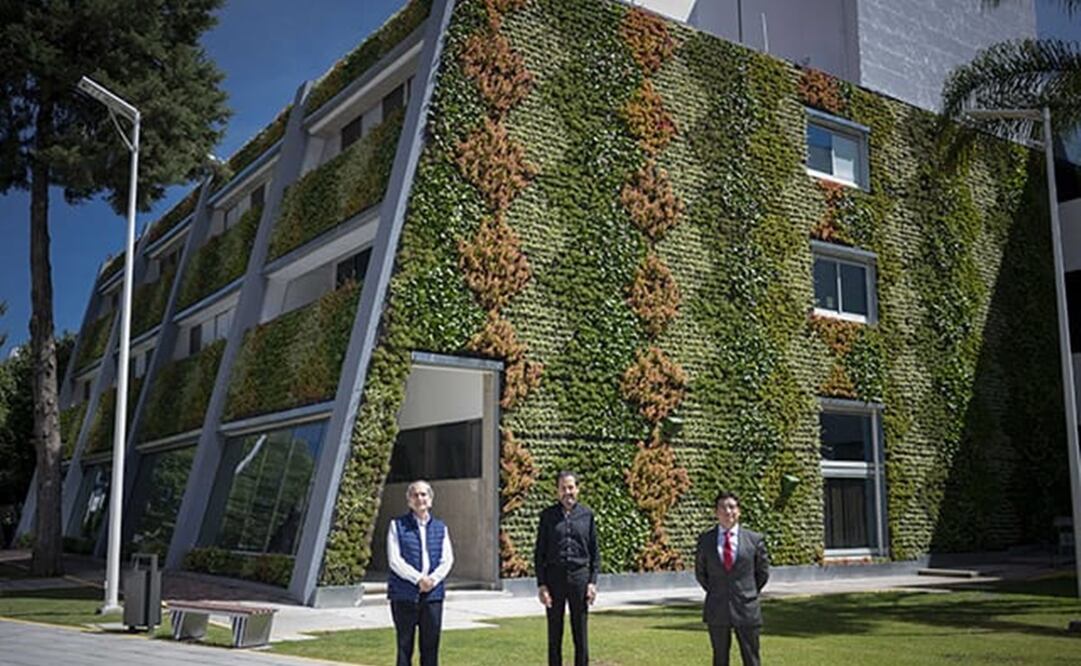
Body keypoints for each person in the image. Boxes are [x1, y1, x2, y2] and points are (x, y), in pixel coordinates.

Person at [695, 490, 770, 666]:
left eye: (732, 507)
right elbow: (701, 573)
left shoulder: (754, 540)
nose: (727, 511)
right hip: (717, 608)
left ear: (739, 511)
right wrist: (718, 590)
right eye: (722, 507)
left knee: (751, 659)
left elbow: (762, 573)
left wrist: (747, 591)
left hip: (746, 607)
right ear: (716, 512)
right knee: (720, 659)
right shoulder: (705, 540)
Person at [534, 470, 600, 666]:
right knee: (554, 634)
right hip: (554, 579)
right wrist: (542, 585)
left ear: (577, 489)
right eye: (563, 488)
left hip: (580, 578)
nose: (567, 492)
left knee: (580, 633)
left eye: (571, 487)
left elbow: (595, 553)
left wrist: (592, 583)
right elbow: (539, 554)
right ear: (557, 491)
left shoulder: (587, 515)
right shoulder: (548, 516)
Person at [387, 480, 454, 666]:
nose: (419, 498)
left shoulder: (441, 527)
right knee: (404, 647)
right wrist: (418, 579)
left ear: (430, 499)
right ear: (409, 500)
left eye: (423, 494)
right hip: (404, 595)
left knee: (430, 648)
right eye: (415, 495)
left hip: (432, 596)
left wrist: (432, 580)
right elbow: (395, 560)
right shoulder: (397, 526)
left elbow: (447, 560)